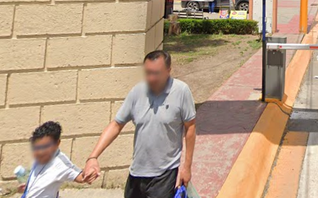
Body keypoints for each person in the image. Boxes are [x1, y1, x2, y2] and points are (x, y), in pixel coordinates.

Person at [83, 50, 196, 198]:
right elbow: (116, 125)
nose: (151, 78)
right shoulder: (137, 92)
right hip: (137, 173)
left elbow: (190, 127)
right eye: (148, 73)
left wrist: (186, 167)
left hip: (165, 174)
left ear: (168, 71)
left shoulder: (181, 91)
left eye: (156, 73)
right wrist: (93, 157)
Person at [17, 121, 88, 198]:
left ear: (57, 143)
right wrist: (27, 187)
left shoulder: (62, 164)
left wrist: (91, 164)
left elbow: (81, 178)